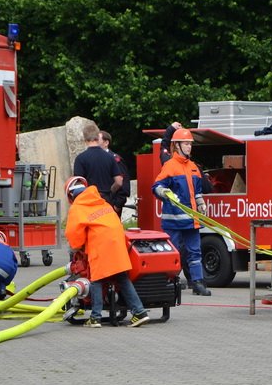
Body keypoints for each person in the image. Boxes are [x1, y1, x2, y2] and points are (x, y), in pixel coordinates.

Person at [64, 176, 151, 328]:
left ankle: (95, 318)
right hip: (118, 243)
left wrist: (76, 247)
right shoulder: (102, 202)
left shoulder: (77, 208)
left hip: (100, 245)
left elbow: (74, 235)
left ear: (71, 196)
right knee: (122, 278)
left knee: (96, 279)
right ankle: (140, 313)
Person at [152, 125, 212, 296]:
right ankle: (168, 282)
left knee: (195, 252)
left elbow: (197, 190)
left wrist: (201, 203)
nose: (189, 147)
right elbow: (157, 186)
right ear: (177, 145)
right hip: (173, 221)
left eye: (190, 144)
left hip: (191, 220)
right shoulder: (170, 166)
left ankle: (197, 283)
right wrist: (163, 192)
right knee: (172, 252)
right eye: (185, 144)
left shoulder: (193, 167)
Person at [72, 122, 125, 205]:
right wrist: (110, 191)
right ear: (97, 137)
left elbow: (79, 183)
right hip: (106, 200)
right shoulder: (110, 157)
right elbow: (119, 182)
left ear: (84, 139)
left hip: (89, 201)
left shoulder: (80, 158)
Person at [98, 129, 130, 217]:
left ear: (106, 143)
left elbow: (123, 181)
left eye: (98, 140)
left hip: (112, 203)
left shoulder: (115, 159)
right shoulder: (96, 159)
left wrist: (118, 204)